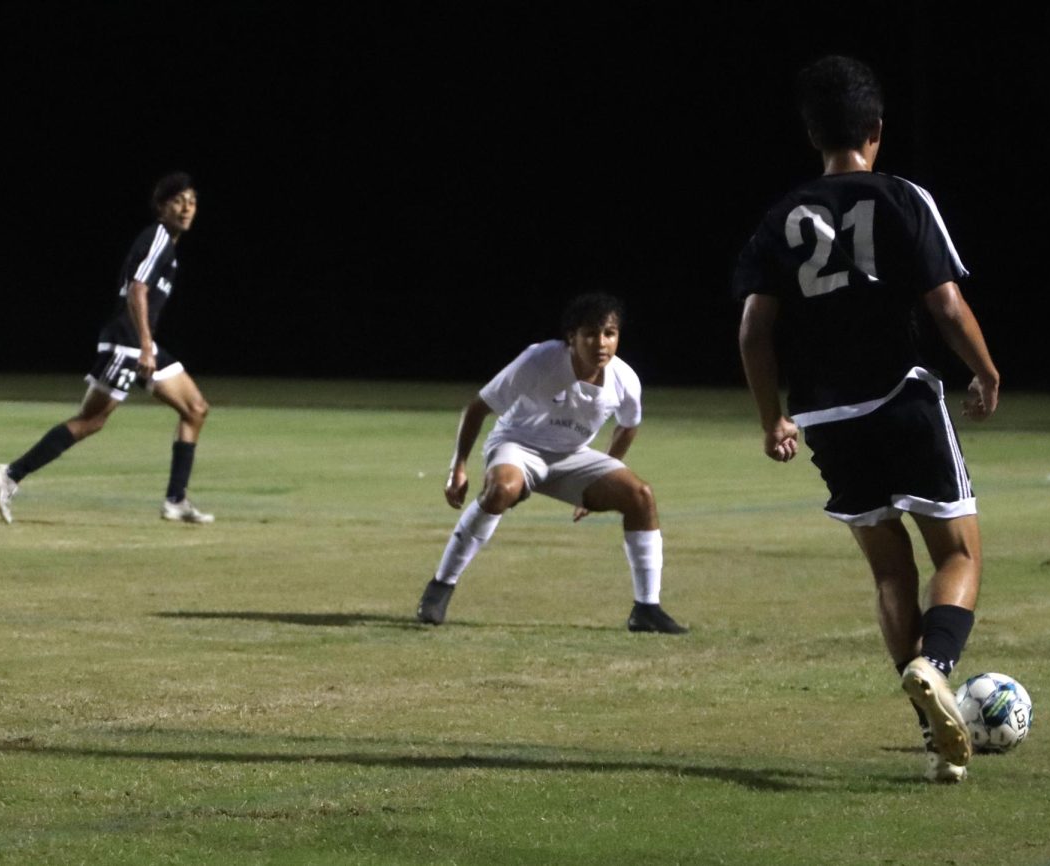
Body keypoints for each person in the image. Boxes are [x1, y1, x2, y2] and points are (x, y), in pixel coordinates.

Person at [733, 56, 1000, 783]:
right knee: (960, 557)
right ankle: (935, 666)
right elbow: (945, 305)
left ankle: (933, 736)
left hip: (827, 418)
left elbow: (754, 330)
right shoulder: (903, 196)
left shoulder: (782, 216)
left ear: (813, 133)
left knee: (891, 575)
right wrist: (985, 369)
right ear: (876, 129)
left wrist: (772, 419)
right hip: (902, 398)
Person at [416, 292, 688, 634]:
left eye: (609, 333)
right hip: (518, 445)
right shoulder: (539, 360)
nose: (601, 343)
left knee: (641, 496)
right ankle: (440, 586)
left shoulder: (624, 379)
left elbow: (629, 424)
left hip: (571, 457)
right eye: (590, 333)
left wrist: (607, 468)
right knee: (501, 489)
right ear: (571, 337)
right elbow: (477, 408)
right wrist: (458, 467)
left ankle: (647, 609)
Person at [0, 172, 213, 524]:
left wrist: (147, 345)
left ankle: (175, 500)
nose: (186, 208)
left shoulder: (168, 245)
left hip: (138, 343)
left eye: (192, 201)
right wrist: (144, 346)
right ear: (161, 207)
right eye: (177, 201)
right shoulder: (158, 238)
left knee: (195, 409)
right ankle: (11, 474)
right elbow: (137, 289)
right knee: (90, 421)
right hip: (128, 343)